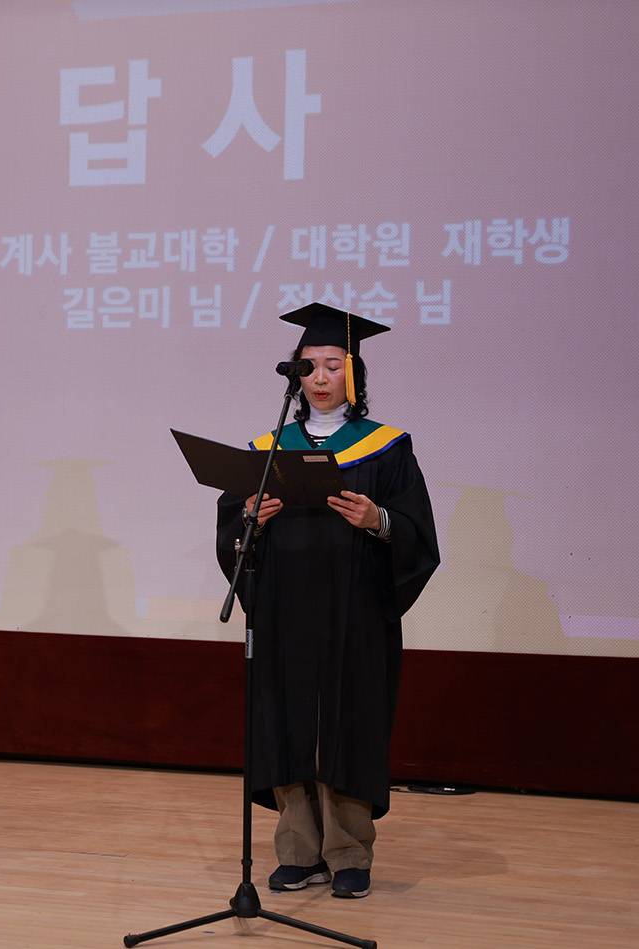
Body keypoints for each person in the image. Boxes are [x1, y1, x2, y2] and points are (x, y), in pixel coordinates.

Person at [215, 302, 439, 899]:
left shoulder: (387, 448)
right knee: (287, 721)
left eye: (333, 366)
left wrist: (378, 519)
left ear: (354, 374)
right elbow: (231, 534)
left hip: (354, 611)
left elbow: (418, 533)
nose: (319, 377)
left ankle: (349, 853)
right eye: (308, 366)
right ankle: (298, 851)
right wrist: (249, 516)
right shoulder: (268, 448)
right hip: (284, 609)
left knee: (348, 722)